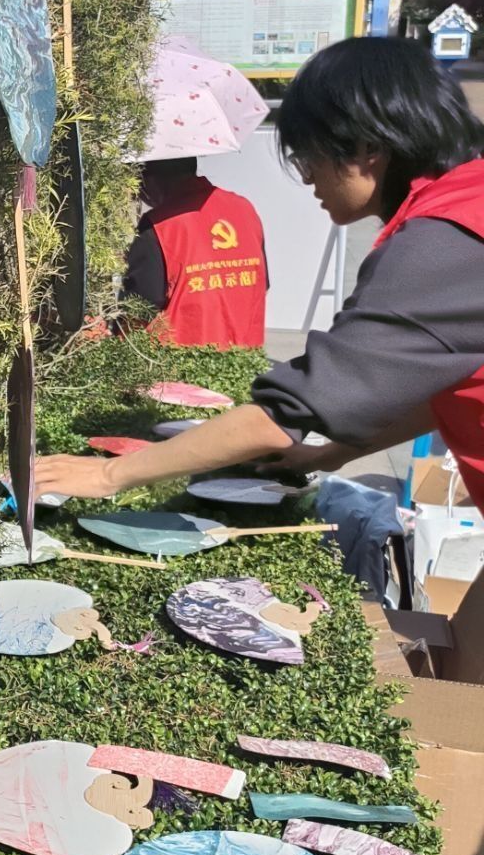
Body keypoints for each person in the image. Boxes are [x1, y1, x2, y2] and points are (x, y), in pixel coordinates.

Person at [35, 38, 484, 512]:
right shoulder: (465, 208)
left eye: (308, 158)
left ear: (367, 147)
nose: (307, 178)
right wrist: (332, 454)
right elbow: (438, 385)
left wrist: (107, 474)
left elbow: (284, 415)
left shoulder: (443, 244)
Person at [122, 157, 268, 347]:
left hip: (184, 358)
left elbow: (137, 310)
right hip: (245, 357)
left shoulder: (158, 225)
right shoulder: (244, 209)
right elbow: (261, 283)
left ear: (150, 181)